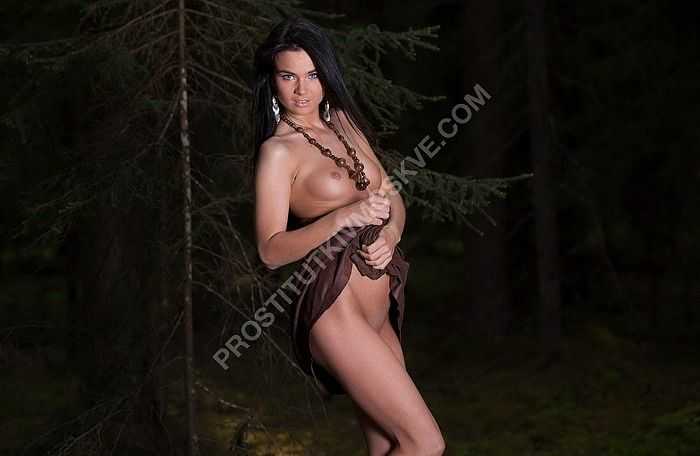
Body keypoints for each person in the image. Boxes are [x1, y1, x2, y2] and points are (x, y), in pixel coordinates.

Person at [252, 16, 445, 456]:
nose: (302, 90)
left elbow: (391, 196)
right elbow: (269, 250)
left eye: (313, 74)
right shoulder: (277, 152)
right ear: (273, 81)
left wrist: (391, 232)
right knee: (425, 443)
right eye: (288, 76)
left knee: (388, 444)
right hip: (333, 308)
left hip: (376, 307)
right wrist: (343, 217)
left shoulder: (343, 123)